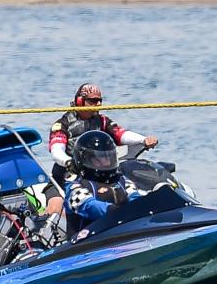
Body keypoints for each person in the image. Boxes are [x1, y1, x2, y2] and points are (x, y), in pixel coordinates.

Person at [45, 84, 158, 216]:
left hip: (95, 175)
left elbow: (120, 134)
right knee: (56, 207)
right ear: (80, 101)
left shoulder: (102, 121)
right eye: (93, 101)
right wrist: (68, 162)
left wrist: (143, 140)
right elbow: (56, 149)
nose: (98, 104)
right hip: (65, 177)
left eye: (100, 100)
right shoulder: (62, 125)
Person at [64, 131, 142, 237]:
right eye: (100, 158)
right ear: (85, 159)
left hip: (121, 235)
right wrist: (117, 210)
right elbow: (90, 207)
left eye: (109, 156)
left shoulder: (121, 180)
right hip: (88, 242)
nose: (107, 163)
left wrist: (142, 205)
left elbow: (135, 197)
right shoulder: (75, 186)